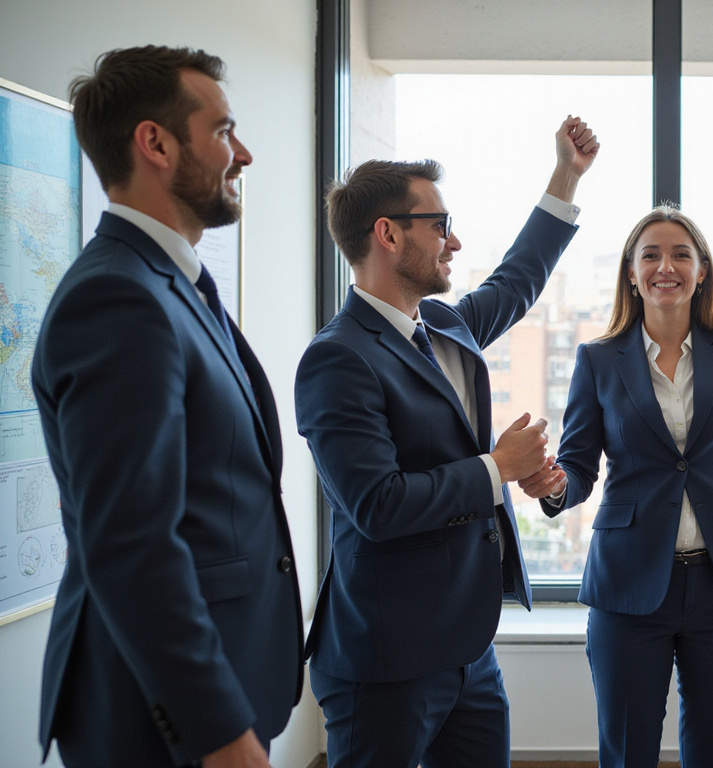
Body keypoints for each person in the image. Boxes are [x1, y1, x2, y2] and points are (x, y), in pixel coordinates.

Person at [294, 116, 598, 768]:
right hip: (385, 660)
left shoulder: (442, 324)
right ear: (388, 234)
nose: (453, 241)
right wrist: (497, 468)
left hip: (468, 650)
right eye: (440, 225)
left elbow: (516, 280)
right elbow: (377, 505)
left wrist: (566, 177)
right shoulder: (336, 359)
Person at [32, 46, 302, 767]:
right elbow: (131, 542)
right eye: (223, 131)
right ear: (155, 143)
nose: (243, 154)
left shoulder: (170, 284)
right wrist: (220, 732)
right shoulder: (117, 297)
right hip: (158, 718)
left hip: (215, 686)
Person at [521, 204, 713, 767]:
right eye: (651, 256)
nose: (666, 267)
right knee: (626, 751)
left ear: (702, 270)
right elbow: (577, 468)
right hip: (629, 582)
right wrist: (554, 485)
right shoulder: (598, 360)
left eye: (681, 255)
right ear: (631, 273)